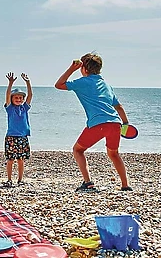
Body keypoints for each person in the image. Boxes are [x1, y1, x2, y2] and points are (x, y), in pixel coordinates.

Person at [54, 53, 132, 192]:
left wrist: (71, 69)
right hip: (115, 123)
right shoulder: (106, 85)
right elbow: (119, 106)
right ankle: (125, 185)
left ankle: (88, 182)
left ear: (83, 68)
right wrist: (125, 124)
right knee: (114, 154)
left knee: (78, 150)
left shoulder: (82, 82)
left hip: (98, 124)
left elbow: (58, 85)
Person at [3, 72, 33, 187]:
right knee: (10, 160)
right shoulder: (10, 108)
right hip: (11, 136)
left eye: (21, 98)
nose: (19, 99)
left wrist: (28, 82)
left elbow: (30, 95)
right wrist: (10, 83)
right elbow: (7, 96)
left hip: (23, 137)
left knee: (21, 160)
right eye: (16, 97)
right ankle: (9, 180)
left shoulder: (24, 108)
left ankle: (20, 180)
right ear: (12, 98)